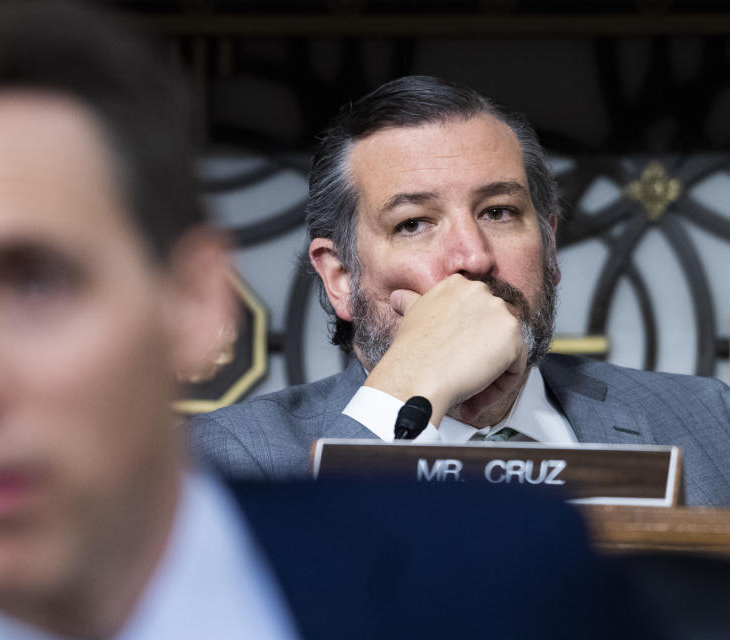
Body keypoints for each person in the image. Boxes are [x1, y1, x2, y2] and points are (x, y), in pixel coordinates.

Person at [0, 4, 641, 640]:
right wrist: (402, 394)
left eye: (33, 284)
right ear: (336, 278)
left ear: (195, 301)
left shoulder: (532, 569)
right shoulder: (240, 449)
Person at [188, 75, 730, 507]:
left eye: (499, 212)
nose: (473, 257)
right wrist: (400, 398)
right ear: (341, 278)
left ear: (549, 246)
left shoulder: (710, 419)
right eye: (414, 223)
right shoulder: (231, 458)